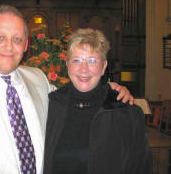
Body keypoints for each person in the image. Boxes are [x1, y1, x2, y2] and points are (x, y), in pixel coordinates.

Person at [0, 4, 133, 174]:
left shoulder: (38, 79)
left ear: (26, 44)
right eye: (0, 37)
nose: (9, 46)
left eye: (17, 39)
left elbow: (76, 90)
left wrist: (107, 88)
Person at [43, 28, 152, 174]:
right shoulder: (51, 105)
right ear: (67, 64)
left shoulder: (126, 112)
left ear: (103, 67)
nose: (84, 69)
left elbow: (140, 168)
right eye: (77, 60)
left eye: (92, 61)